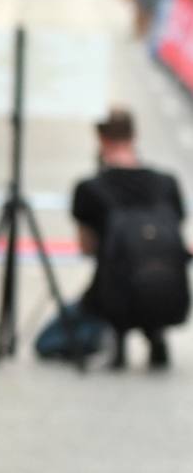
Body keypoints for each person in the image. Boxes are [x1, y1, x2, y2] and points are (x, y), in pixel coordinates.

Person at [72, 109, 188, 370]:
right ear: (134, 136)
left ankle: (117, 334)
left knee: (54, 336)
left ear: (100, 139)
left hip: (113, 291)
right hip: (167, 290)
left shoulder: (90, 188)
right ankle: (154, 332)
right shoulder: (167, 182)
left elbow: (86, 248)